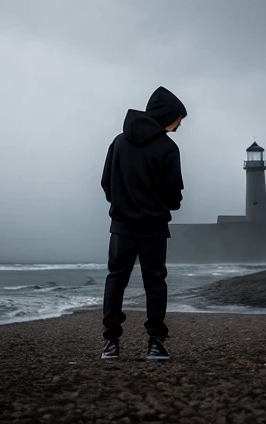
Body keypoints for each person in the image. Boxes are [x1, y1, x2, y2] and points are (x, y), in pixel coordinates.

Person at [100, 86, 187, 360]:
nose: (180, 125)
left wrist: (123, 204)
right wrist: (161, 204)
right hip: (154, 228)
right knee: (155, 283)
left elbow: (106, 183)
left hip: (122, 227)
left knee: (116, 280)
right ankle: (155, 344)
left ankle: (111, 344)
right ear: (167, 116)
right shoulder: (168, 148)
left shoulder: (118, 142)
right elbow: (173, 195)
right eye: (179, 119)